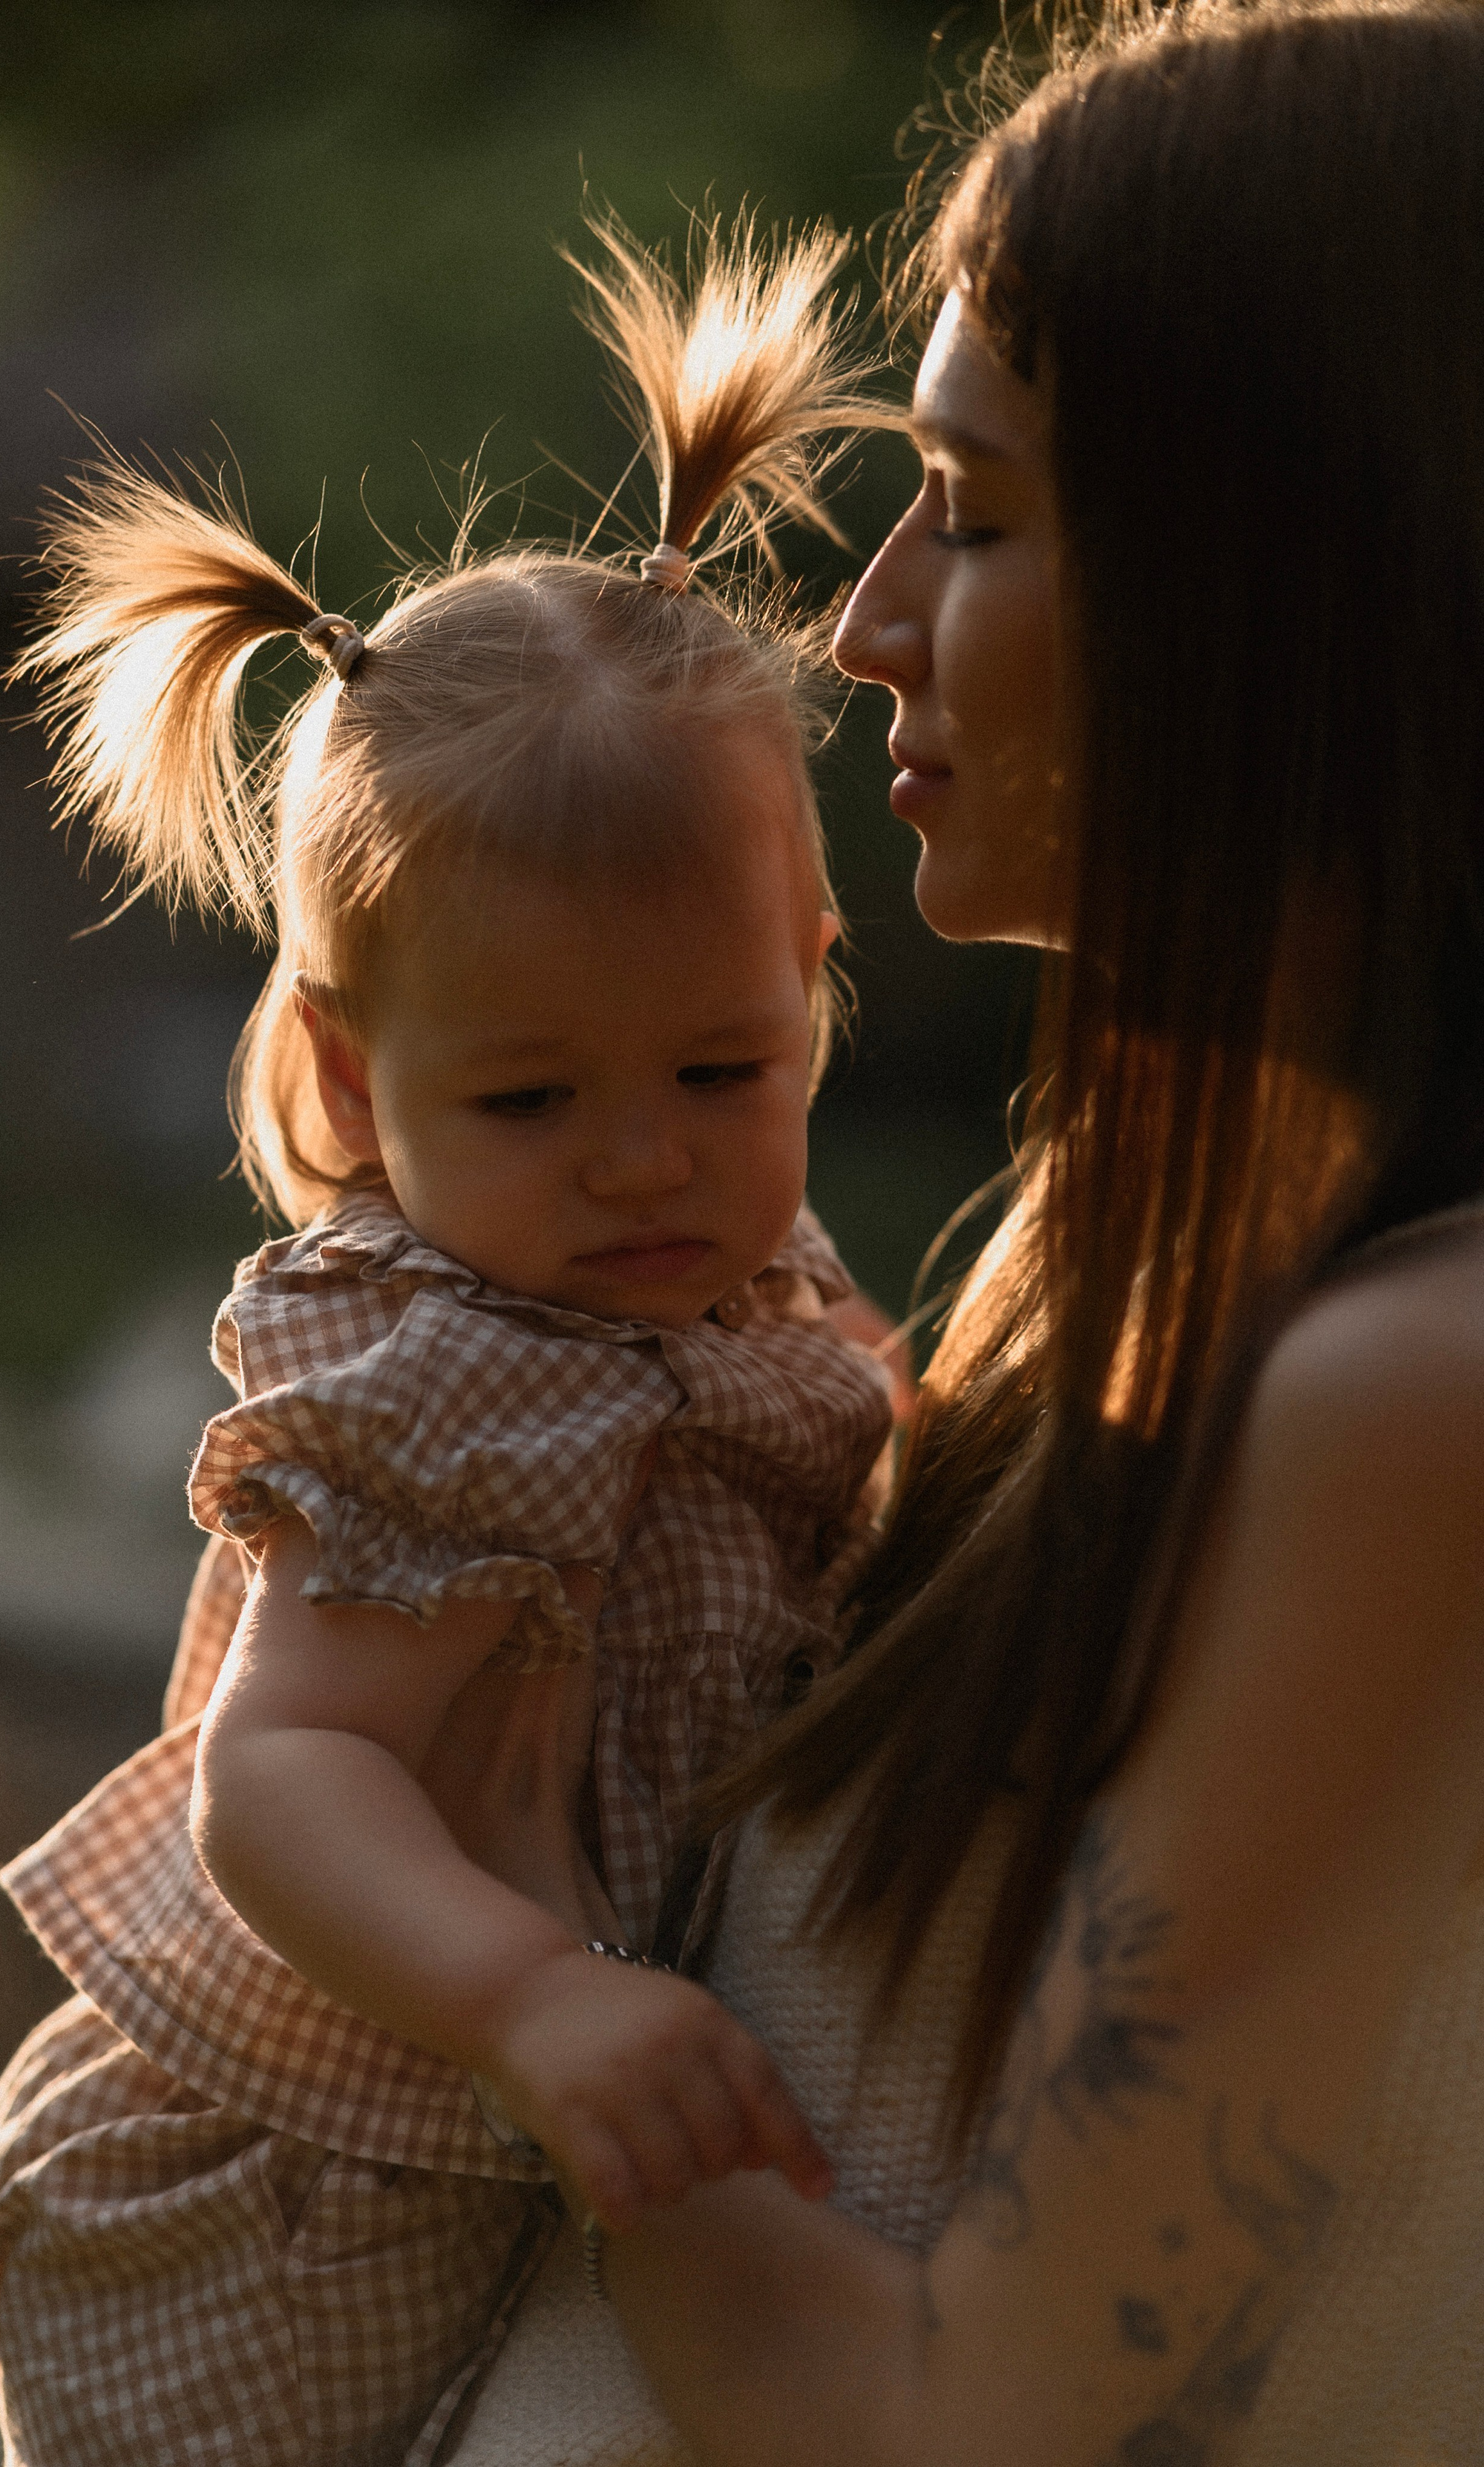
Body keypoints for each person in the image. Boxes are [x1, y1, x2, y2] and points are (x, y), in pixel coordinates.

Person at [433, 6, 1484, 2462]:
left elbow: (975, 2428)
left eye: (977, 511)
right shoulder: (1106, 1297)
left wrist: (517, 1975)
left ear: (1304, 570)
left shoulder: (1410, 1394)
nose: (868, 618)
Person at [0, 219, 899, 2467]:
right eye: (531, 1099)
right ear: (359, 1090)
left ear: (817, 990)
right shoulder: (443, 1371)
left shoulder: (736, 1280)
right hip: (288, 2179)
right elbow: (283, 1773)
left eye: (721, 1070)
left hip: (520, 2139)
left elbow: (852, 1414)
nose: (646, 1162)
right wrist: (528, 1995)